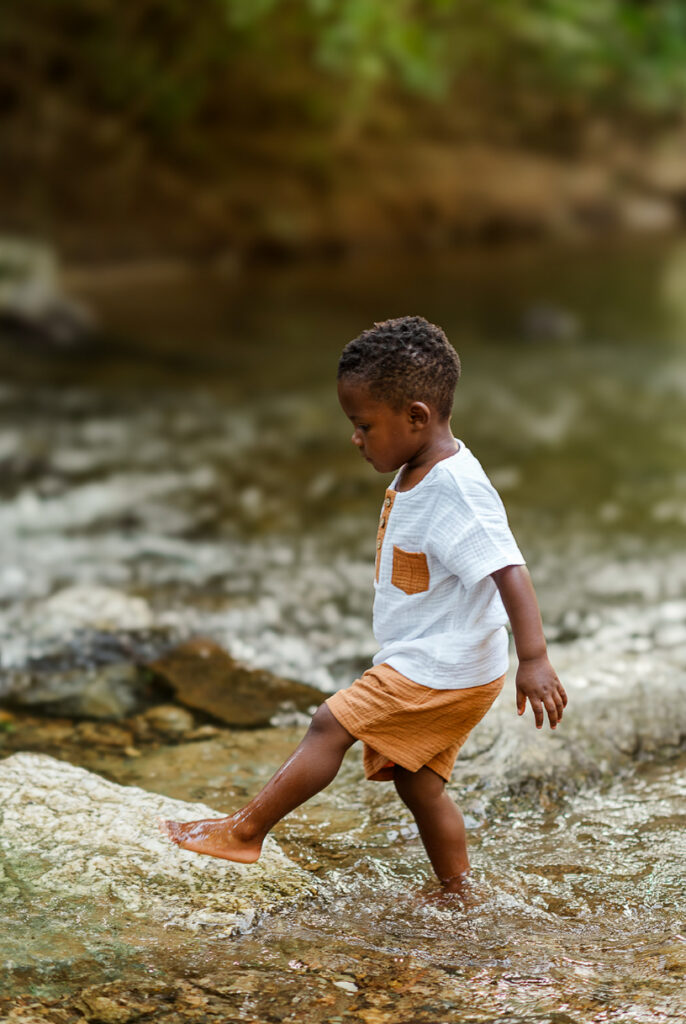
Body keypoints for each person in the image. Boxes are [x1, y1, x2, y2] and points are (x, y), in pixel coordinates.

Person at [160, 316, 567, 893]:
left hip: (442, 665)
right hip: (438, 660)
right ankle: (459, 892)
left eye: (363, 425)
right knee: (418, 785)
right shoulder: (417, 468)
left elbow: (510, 568)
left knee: (331, 723)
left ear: (417, 417)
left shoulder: (456, 487)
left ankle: (245, 832)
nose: (355, 438)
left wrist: (534, 659)